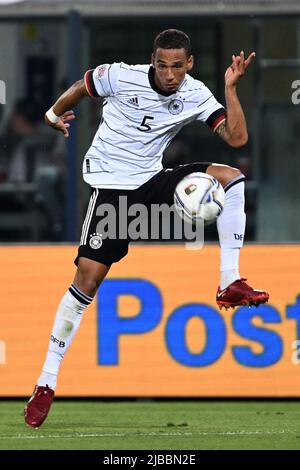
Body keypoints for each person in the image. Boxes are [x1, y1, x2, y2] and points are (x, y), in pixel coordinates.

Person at [24, 29, 269, 428]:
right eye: (162, 65)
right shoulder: (121, 76)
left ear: (189, 64)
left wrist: (230, 87)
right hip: (112, 191)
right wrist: (53, 116)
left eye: (177, 66)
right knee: (85, 281)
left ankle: (230, 280)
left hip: (152, 183)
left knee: (232, 177)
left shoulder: (196, 93)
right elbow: (81, 86)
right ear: (152, 61)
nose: (169, 74)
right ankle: (46, 383)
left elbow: (237, 137)